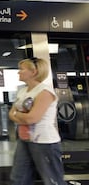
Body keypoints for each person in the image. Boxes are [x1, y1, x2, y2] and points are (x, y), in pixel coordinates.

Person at [8, 57, 66, 185]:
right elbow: (10, 114)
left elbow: (32, 118)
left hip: (45, 142)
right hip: (25, 140)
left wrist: (18, 114)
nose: (18, 72)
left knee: (52, 180)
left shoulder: (45, 92)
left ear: (33, 72)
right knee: (19, 178)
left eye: (21, 69)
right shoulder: (23, 91)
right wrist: (22, 116)